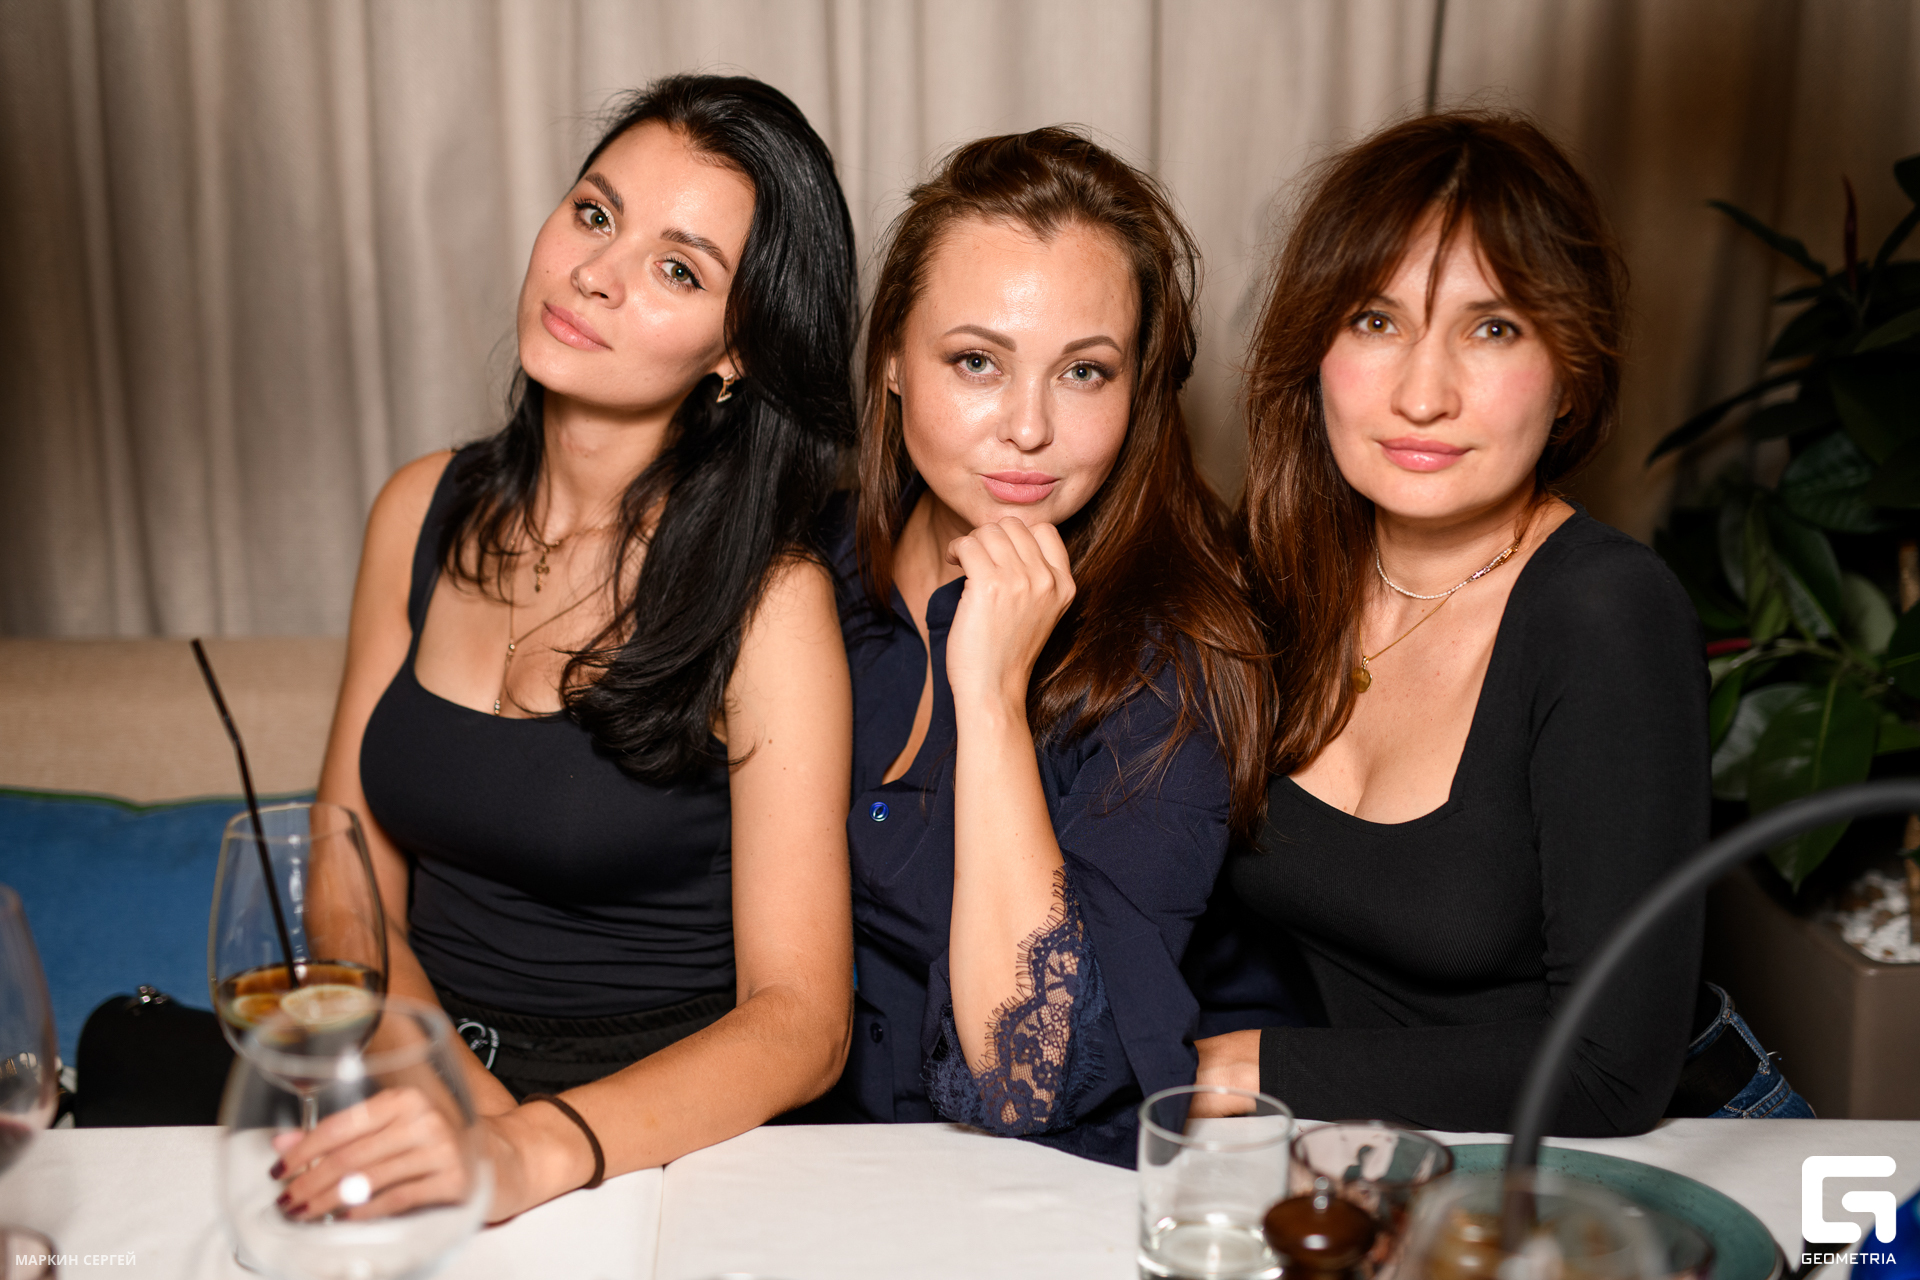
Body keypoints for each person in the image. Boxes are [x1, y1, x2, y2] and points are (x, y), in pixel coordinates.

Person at [279, 75, 859, 1222]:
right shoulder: (417, 508)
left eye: (678, 268)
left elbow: (804, 1019)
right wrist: (451, 1094)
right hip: (416, 1076)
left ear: (738, 353)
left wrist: (526, 1145)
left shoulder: (769, 597)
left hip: (648, 1135)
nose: (595, 272)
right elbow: (344, 881)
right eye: (595, 213)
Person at [1197, 111, 1809, 1132]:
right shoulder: (1278, 577)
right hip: (1410, 1153)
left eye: (1493, 328)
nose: (1422, 394)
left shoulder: (1607, 613)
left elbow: (1610, 1073)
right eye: (1376, 321)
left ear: (1571, 373)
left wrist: (1248, 1065)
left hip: (1674, 1159)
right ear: (1315, 349)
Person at [827, 127, 1269, 1165]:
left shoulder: (1183, 651)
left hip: (1045, 1200)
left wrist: (990, 696)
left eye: (1085, 371)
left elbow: (1029, 1076)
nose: (1028, 428)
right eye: (976, 361)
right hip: (810, 1173)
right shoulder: (807, 565)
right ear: (891, 361)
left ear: (1139, 389)